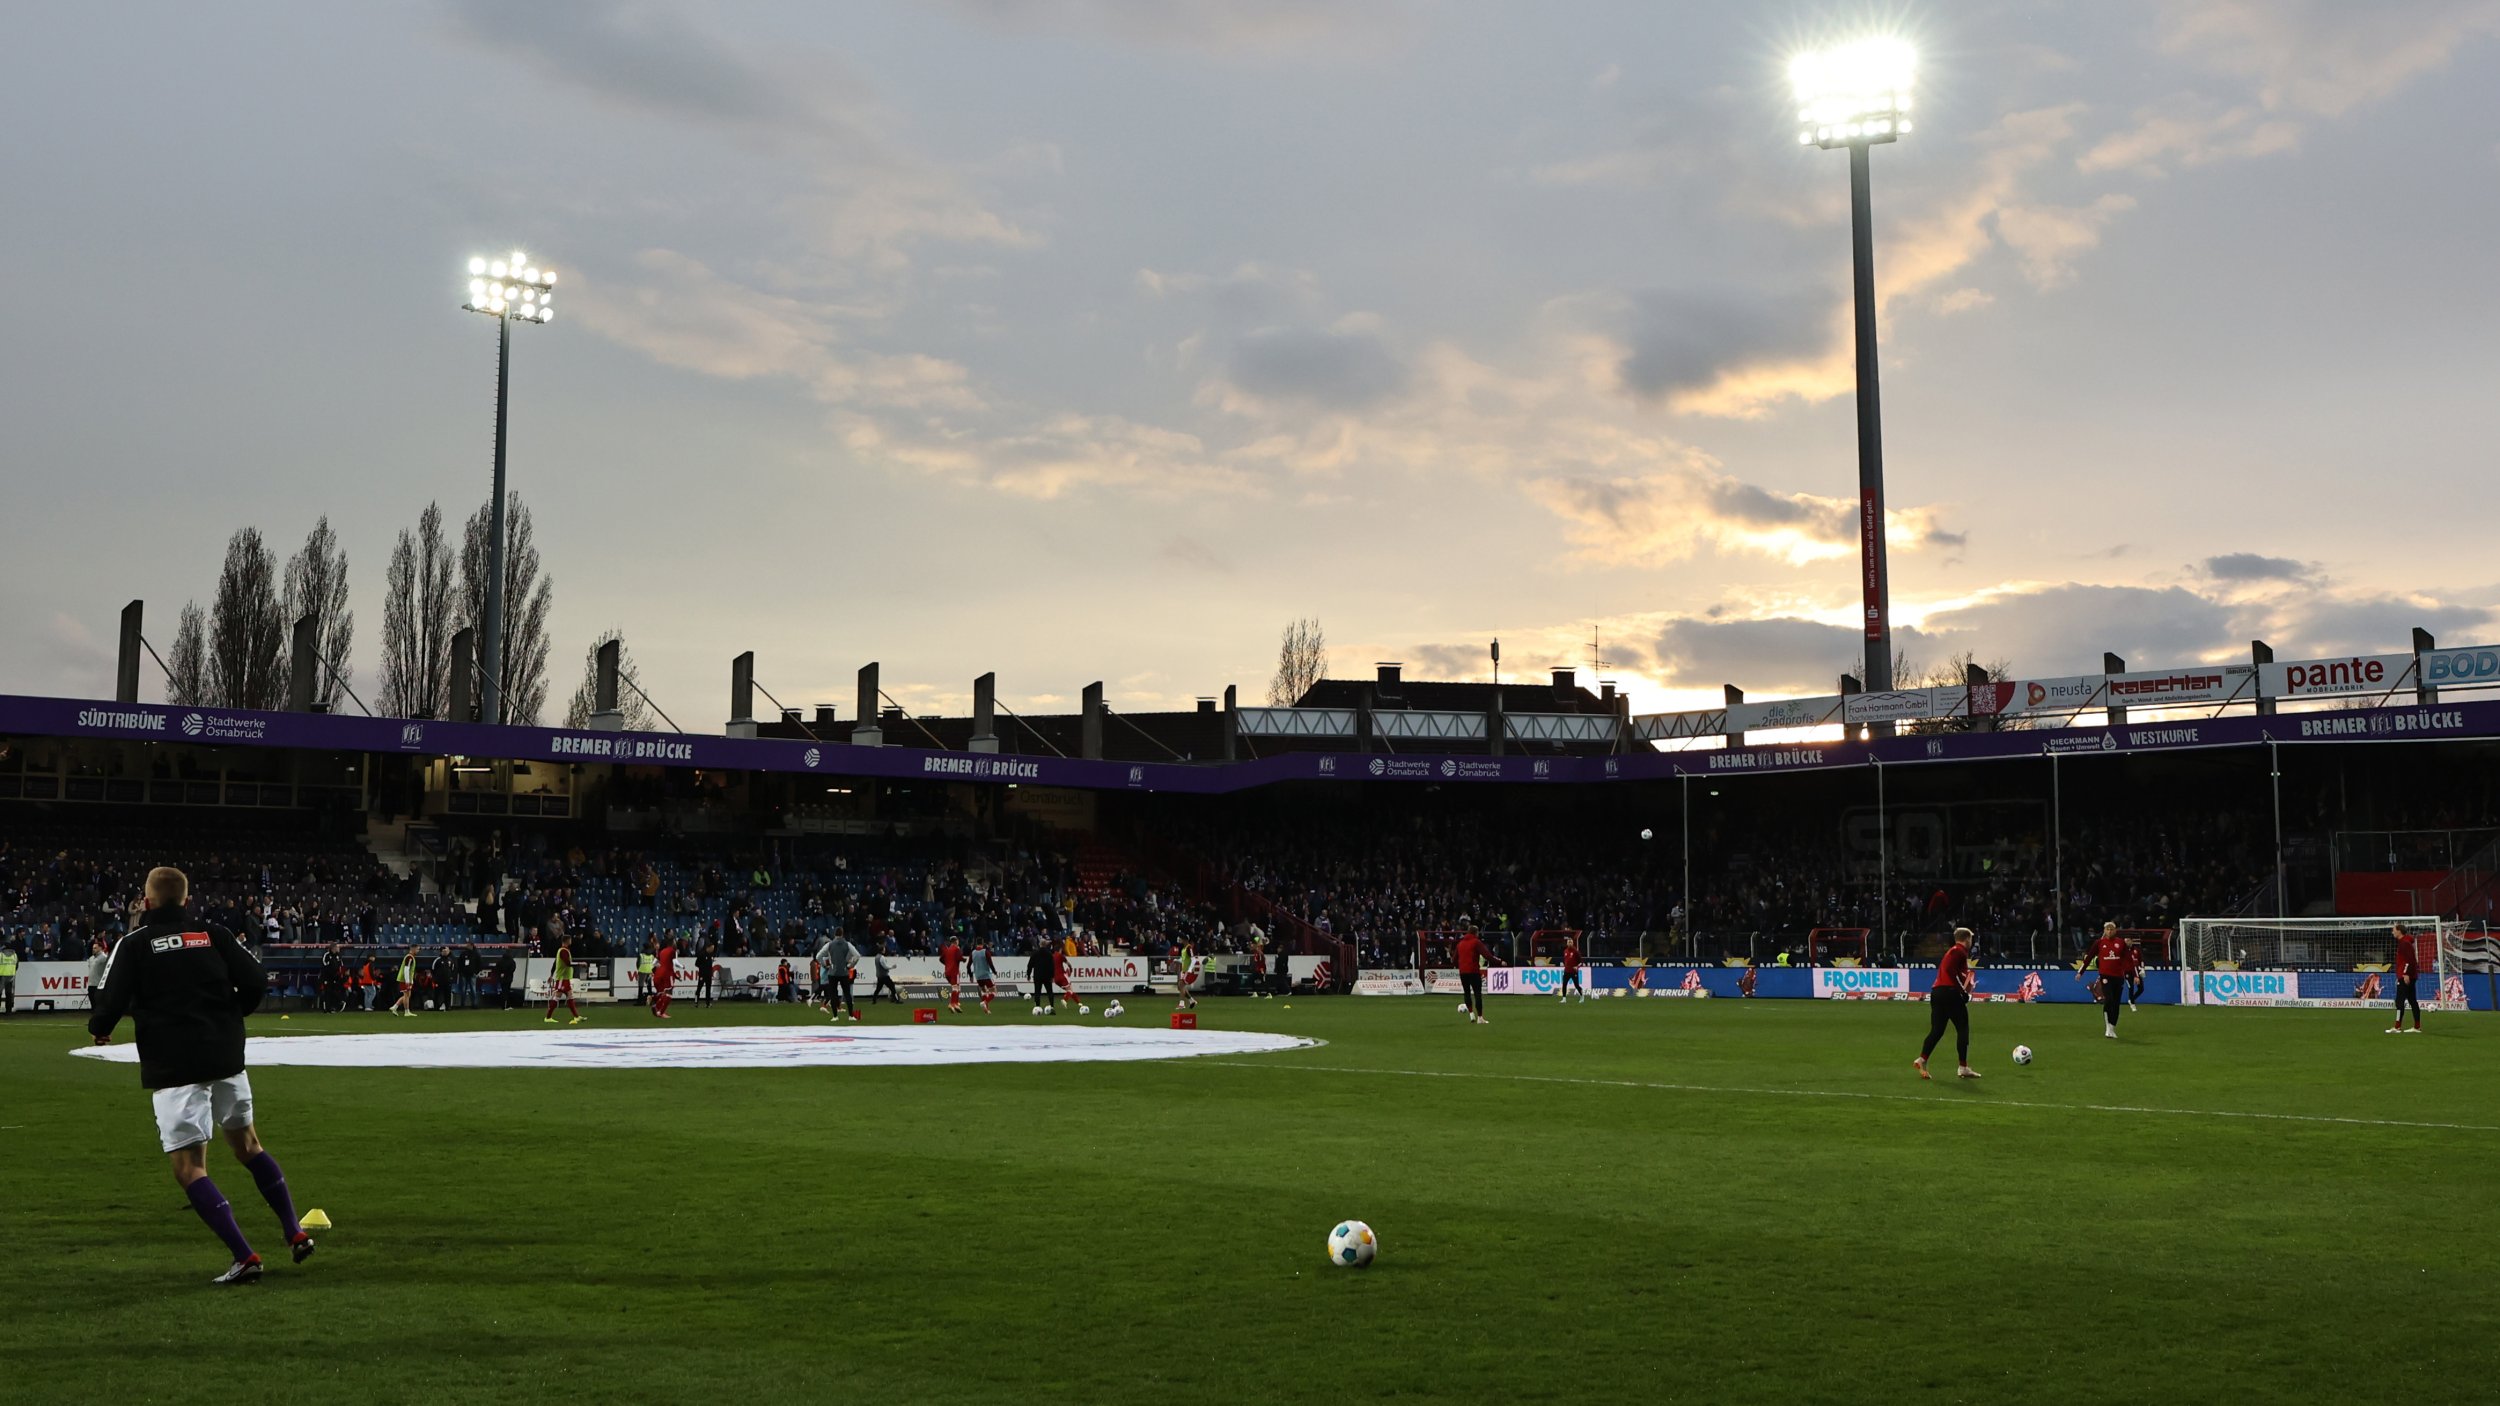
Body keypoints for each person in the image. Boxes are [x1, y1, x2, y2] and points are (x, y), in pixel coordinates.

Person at [88, 866, 315, 1285]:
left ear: (148, 902)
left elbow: (110, 999)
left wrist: (99, 1025)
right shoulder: (213, 934)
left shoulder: (135, 942)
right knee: (248, 1145)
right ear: (186, 901)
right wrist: (230, 1016)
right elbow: (255, 979)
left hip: (176, 1066)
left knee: (190, 1168)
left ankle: (245, 1255)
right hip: (225, 1057)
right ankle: (293, 1229)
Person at [1915, 927, 1980, 1080]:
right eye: (1971, 939)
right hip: (1949, 992)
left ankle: (1922, 1059)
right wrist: (1962, 992)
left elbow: (1950, 971)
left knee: (1937, 1030)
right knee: (1963, 1027)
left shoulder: (1951, 951)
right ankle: (1963, 1067)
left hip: (1937, 992)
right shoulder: (1959, 951)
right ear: (1967, 939)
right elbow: (1951, 972)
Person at [2084, 922, 2129, 1040]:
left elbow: (2127, 959)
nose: (2109, 931)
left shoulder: (2120, 943)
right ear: (2104, 930)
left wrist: (2134, 974)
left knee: (2116, 1003)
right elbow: (2089, 957)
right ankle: (2108, 1027)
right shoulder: (2099, 943)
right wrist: (2081, 971)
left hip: (2118, 977)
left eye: (2111, 929)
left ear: (2115, 930)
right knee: (2109, 999)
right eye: (2107, 929)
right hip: (2105, 976)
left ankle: (2112, 1028)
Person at [2388, 925, 2425, 1034]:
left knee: (2399, 1001)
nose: (2392, 932)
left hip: (2406, 976)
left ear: (2399, 931)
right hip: (2410, 975)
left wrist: (2405, 974)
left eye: (2393, 930)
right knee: (2412, 1001)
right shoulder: (2406, 942)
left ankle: (2397, 1026)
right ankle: (2417, 1027)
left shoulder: (2404, 943)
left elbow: (2409, 960)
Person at [544, 936, 583, 1025]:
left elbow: (555, 963)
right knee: (558, 996)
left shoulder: (562, 950)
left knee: (570, 996)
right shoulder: (563, 951)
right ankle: (548, 1017)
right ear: (568, 941)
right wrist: (580, 963)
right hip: (562, 978)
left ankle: (576, 1016)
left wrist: (551, 974)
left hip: (565, 978)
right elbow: (568, 963)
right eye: (570, 940)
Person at [1454, 930, 1489, 1026]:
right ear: (1475, 933)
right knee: (1477, 994)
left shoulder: (1460, 943)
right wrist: (1498, 961)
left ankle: (1471, 1014)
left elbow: (1454, 959)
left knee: (1467, 992)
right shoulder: (1476, 942)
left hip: (1463, 972)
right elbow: (1486, 955)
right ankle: (1480, 1018)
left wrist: (1461, 965)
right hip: (1473, 971)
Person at [651, 933, 677, 1020]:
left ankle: (656, 1006)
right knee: (668, 993)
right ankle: (660, 1011)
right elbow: (675, 963)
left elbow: (654, 963)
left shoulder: (661, 952)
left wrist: (659, 967)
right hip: (665, 974)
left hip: (659, 974)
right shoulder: (670, 951)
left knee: (663, 992)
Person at [1027, 940, 1056, 1015]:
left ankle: (1037, 1007)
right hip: (1047, 976)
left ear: (1039, 945)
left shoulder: (1035, 953)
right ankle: (1052, 1007)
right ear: (1046, 945)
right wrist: (1052, 976)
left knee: (1037, 992)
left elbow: (1030, 965)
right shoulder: (1049, 954)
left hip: (1038, 975)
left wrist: (1028, 974)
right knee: (1050, 992)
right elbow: (1052, 966)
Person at [970, 940, 997, 1015]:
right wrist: (994, 971)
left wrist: (970, 975)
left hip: (978, 976)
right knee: (994, 991)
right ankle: (985, 1002)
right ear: (982, 944)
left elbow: (968, 965)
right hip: (986, 975)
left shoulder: (973, 952)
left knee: (984, 992)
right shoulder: (985, 952)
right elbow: (990, 963)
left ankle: (986, 1010)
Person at [940, 937, 965, 1014]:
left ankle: (956, 1004)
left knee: (958, 987)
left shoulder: (947, 949)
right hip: (954, 972)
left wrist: (947, 964)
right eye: (958, 941)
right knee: (955, 988)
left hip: (947, 972)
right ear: (956, 942)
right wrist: (964, 959)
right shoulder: (956, 949)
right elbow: (959, 958)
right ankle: (952, 1004)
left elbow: (941, 959)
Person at [1558, 938, 1584, 1004]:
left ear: (1573, 943)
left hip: (1573, 972)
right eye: (1568, 942)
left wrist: (1577, 967)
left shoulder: (1576, 951)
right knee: (1564, 984)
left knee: (1576, 985)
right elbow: (1566, 960)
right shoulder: (1565, 951)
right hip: (1566, 971)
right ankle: (1564, 999)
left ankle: (1582, 996)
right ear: (1567, 943)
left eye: (1571, 942)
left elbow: (1581, 962)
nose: (1569, 943)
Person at [696, 942, 717, 1007]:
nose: (712, 949)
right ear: (708, 947)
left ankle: (707, 1003)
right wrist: (702, 968)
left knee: (708, 989)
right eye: (712, 948)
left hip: (709, 974)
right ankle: (696, 1002)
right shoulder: (702, 954)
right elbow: (696, 963)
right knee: (699, 988)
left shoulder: (711, 955)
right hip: (702, 974)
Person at [0, 938, 17, 1016]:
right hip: (10, 976)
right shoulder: (14, 955)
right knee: (9, 994)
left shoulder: (1, 954)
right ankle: (8, 1011)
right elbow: (17, 965)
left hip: (1, 976)